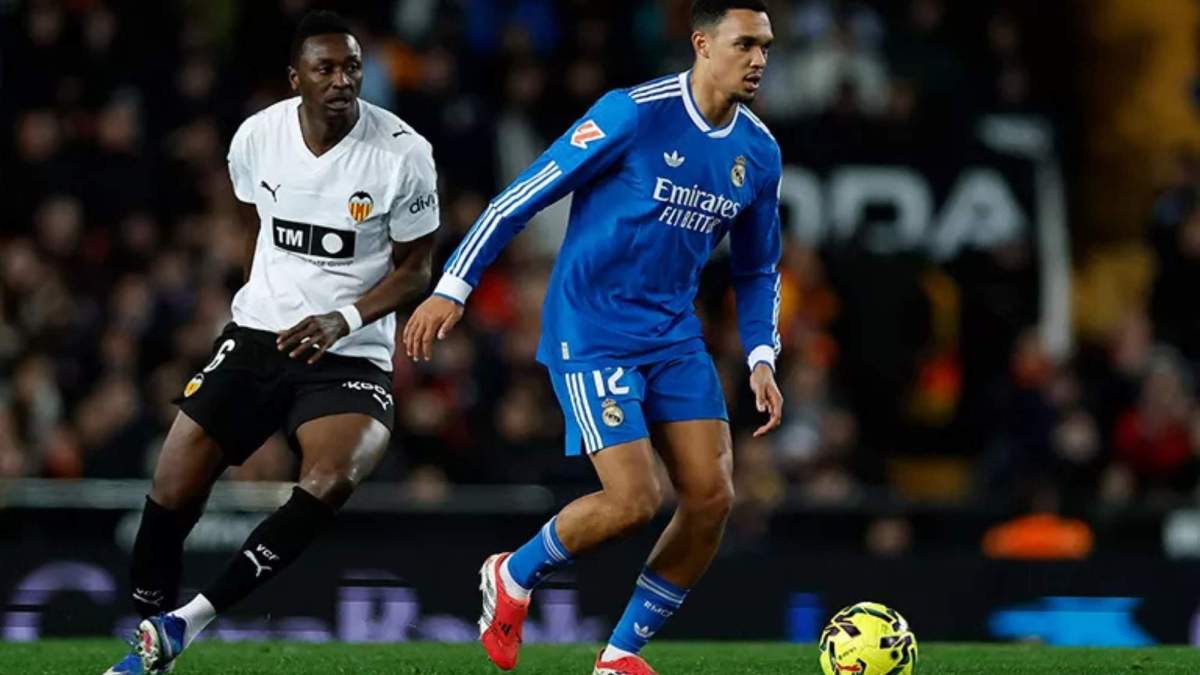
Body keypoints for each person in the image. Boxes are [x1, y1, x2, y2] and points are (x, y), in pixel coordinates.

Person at [404, 2, 782, 672]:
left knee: (713, 495)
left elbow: (756, 266)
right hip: (594, 326)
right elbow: (520, 196)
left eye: (766, 48)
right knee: (633, 499)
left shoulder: (758, 151)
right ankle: (513, 572)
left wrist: (761, 354)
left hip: (673, 334)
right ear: (701, 43)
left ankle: (617, 657)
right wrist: (452, 287)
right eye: (744, 44)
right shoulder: (632, 113)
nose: (758, 60)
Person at [105, 11, 440, 674]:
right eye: (326, 68)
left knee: (330, 477)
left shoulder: (403, 152)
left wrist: (343, 316)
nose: (343, 80)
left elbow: (417, 270)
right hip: (260, 334)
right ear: (297, 79)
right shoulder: (258, 137)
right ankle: (150, 643)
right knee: (171, 486)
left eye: (351, 67)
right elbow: (251, 208)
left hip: (350, 351)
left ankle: (189, 620)